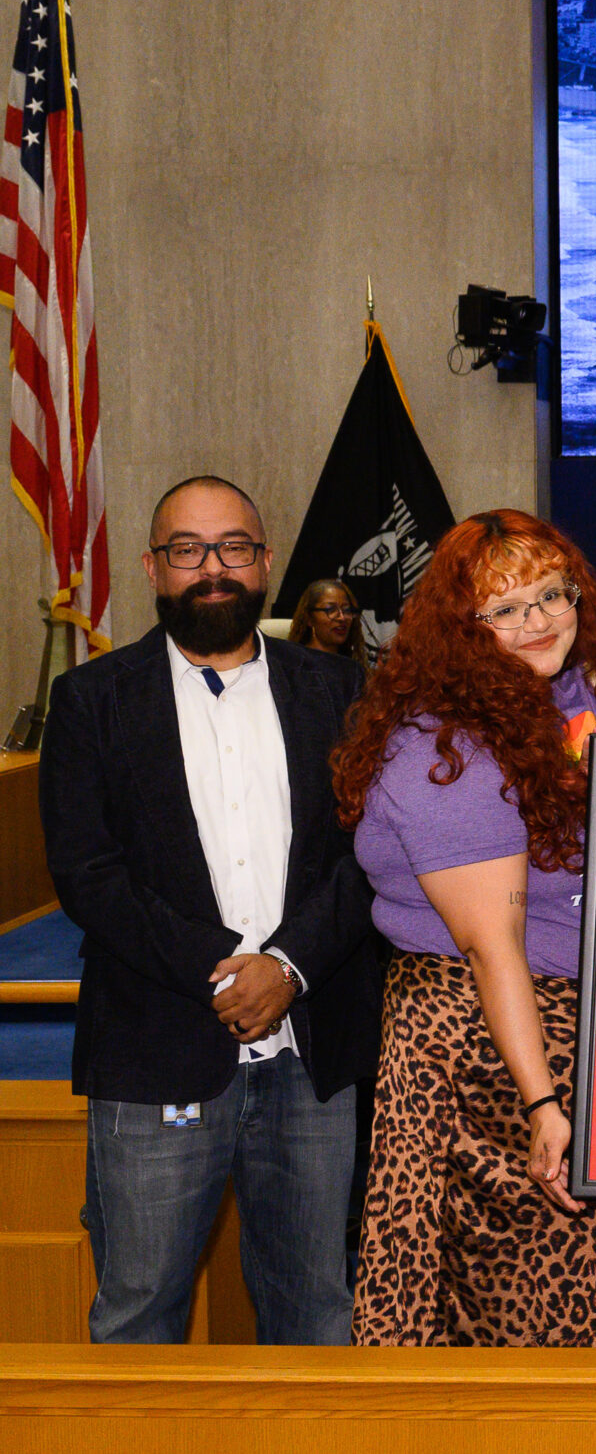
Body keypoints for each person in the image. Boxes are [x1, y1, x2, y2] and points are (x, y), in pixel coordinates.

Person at [41, 476, 375, 1345]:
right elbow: (89, 874)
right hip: (157, 1049)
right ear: (154, 567)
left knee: (316, 1318)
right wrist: (225, 970)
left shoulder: (341, 693)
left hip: (313, 1057)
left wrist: (288, 967)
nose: (212, 569)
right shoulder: (91, 702)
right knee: (139, 1316)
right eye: (187, 550)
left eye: (233, 548)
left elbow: (369, 856)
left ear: (266, 565)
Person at [337, 510, 596, 1345]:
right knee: (513, 1319)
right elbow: (492, 948)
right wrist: (544, 1105)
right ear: (461, 630)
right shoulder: (447, 748)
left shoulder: (581, 703)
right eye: (507, 609)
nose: (542, 621)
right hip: (485, 1049)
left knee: (595, 1303)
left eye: (554, 595)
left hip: (569, 1027)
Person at [286, 577, 369, 675]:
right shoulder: (293, 666)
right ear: (309, 618)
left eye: (346, 610)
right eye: (330, 610)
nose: (342, 618)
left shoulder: (354, 669)